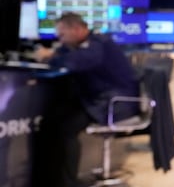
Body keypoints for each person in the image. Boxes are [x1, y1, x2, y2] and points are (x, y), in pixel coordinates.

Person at [34, 12, 140, 187]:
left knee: (66, 128)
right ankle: (48, 180)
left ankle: (67, 183)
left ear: (76, 29)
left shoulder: (98, 44)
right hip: (98, 100)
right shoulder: (81, 44)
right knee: (50, 122)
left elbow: (74, 61)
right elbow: (64, 55)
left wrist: (51, 56)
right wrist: (53, 55)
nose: (60, 40)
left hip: (115, 103)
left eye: (62, 35)